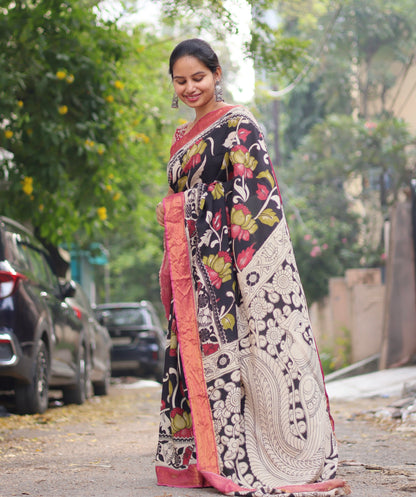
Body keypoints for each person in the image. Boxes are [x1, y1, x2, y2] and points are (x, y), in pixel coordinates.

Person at [155, 38, 350, 497]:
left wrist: (192, 208)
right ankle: (200, 457)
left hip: (229, 265)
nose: (189, 88)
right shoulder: (182, 138)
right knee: (191, 357)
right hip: (192, 265)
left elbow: (257, 197)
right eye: (180, 81)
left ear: (216, 73)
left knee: (239, 356)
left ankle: (249, 455)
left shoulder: (239, 125)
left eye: (197, 78)